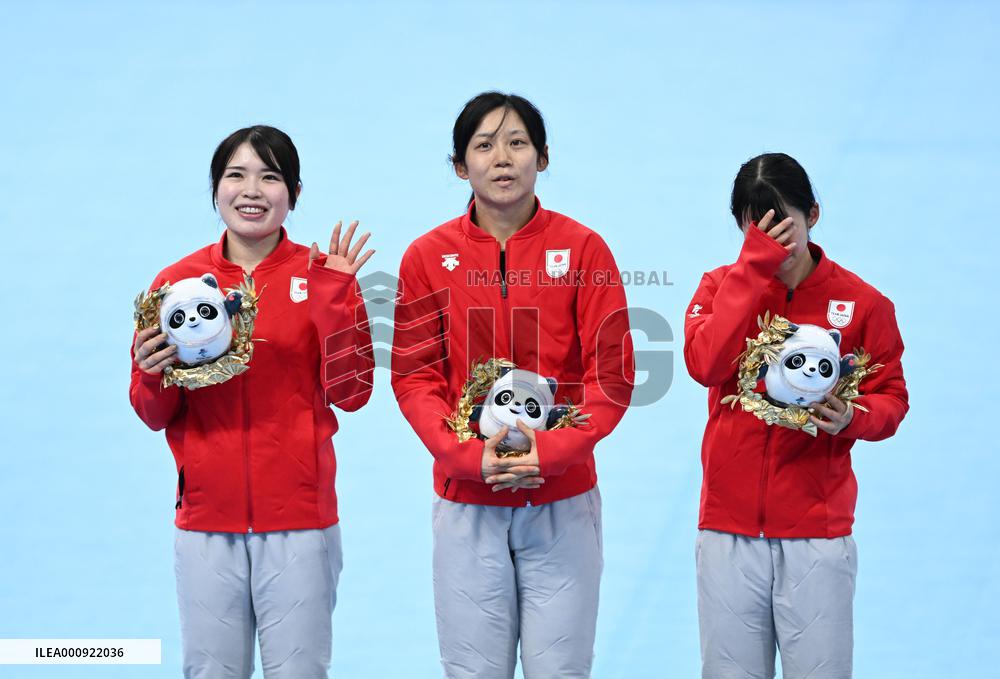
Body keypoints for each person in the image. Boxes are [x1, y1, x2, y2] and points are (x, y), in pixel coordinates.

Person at [391, 92, 635, 679]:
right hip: (467, 499)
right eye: (484, 145)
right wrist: (467, 457)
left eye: (518, 143)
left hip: (562, 498)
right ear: (459, 166)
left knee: (562, 670)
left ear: (543, 158)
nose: (502, 158)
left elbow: (613, 376)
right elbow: (414, 376)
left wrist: (547, 453)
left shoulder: (583, 249)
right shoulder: (427, 257)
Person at [129, 125, 375, 679]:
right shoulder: (176, 284)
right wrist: (151, 375)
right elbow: (151, 413)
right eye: (236, 175)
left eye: (270, 176)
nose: (252, 190)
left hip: (300, 519)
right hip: (206, 522)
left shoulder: (323, 277)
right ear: (216, 188)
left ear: (294, 193)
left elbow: (353, 394)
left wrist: (337, 301)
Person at [684, 152, 909, 678]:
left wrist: (853, 417)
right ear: (741, 226)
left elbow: (892, 398)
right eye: (757, 226)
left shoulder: (862, 304)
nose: (776, 240)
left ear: (813, 214)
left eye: (785, 222)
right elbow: (705, 364)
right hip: (727, 532)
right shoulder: (719, 288)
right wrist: (751, 273)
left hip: (817, 535)